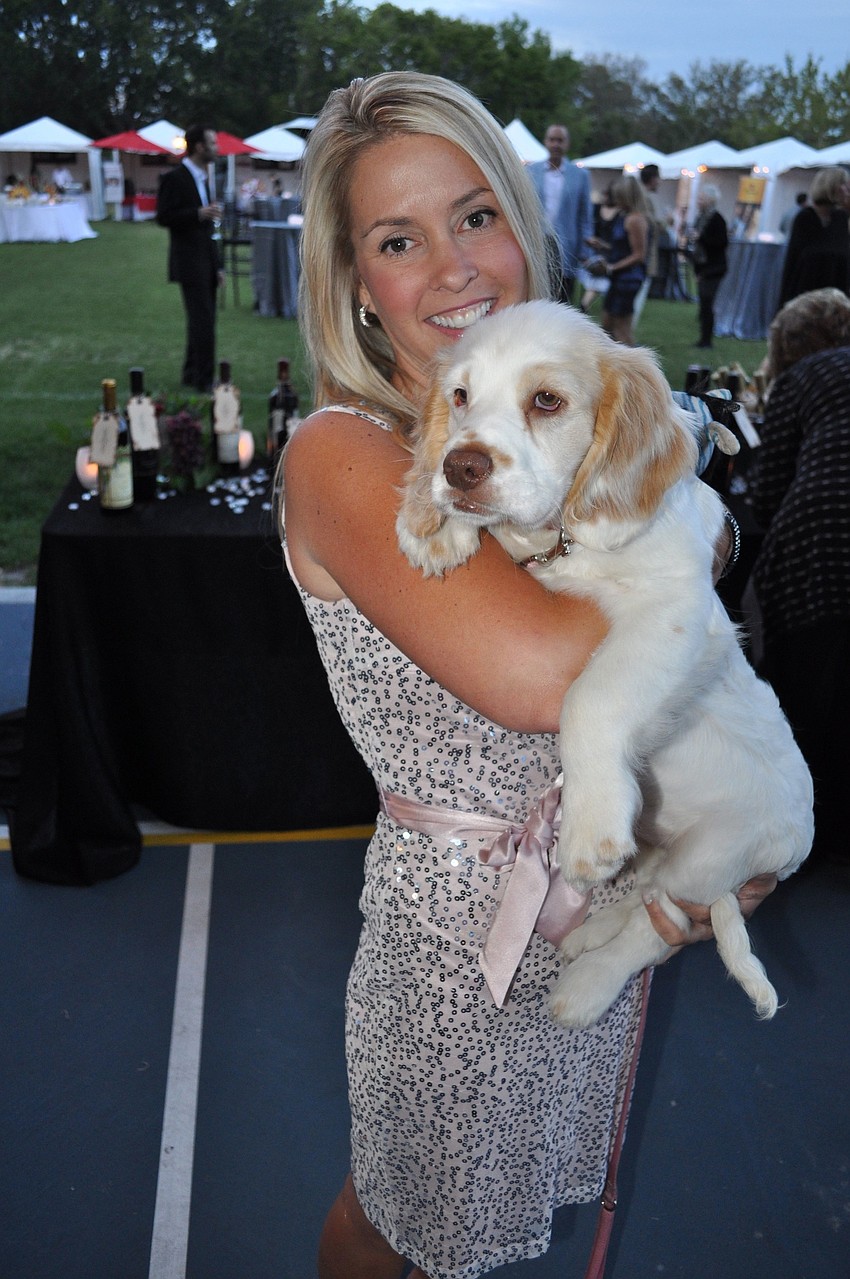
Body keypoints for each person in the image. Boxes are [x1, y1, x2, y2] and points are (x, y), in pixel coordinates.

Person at [282, 71, 776, 1279]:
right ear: (356, 282)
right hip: (465, 946)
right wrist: (683, 511)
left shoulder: (537, 428)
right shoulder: (346, 455)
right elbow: (552, 673)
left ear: (522, 221)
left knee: (485, 1215)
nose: (451, 266)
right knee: (402, 1225)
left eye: (474, 216)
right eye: (399, 239)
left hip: (596, 898)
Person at [746, 287, 850, 872]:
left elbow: (769, 484)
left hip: (826, 533)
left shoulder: (801, 379)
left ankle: (805, 833)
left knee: (810, 690)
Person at [156, 124, 223, 393]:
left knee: (203, 320)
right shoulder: (175, 177)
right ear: (199, 147)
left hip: (206, 261)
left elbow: (209, 230)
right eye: (213, 143)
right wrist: (197, 213)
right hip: (189, 262)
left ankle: (191, 372)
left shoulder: (204, 178)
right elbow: (163, 216)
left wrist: (218, 266)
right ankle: (205, 379)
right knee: (203, 322)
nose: (217, 148)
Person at [527, 123, 593, 304]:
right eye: (552, 139)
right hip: (537, 241)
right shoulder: (531, 171)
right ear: (545, 142)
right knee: (535, 294)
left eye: (560, 140)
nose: (556, 144)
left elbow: (585, 216)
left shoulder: (580, 175)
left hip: (566, 245)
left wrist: (585, 250)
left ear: (567, 144)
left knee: (562, 298)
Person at [777, 166, 850, 309]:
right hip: (807, 295)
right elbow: (794, 261)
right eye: (844, 186)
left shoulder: (841, 219)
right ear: (833, 187)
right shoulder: (806, 218)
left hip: (836, 297)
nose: (847, 190)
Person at [592, 173, 648, 346]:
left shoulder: (635, 220)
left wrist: (611, 267)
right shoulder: (626, 217)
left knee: (621, 330)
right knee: (607, 326)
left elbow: (639, 255)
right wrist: (602, 245)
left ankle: (634, 369)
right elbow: (624, 248)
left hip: (628, 279)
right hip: (619, 278)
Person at [690, 184, 728, 348]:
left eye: (701, 198)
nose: (698, 201)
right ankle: (704, 338)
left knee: (707, 302)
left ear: (710, 200)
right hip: (704, 268)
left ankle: (706, 340)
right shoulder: (702, 217)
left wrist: (701, 237)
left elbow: (721, 243)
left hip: (713, 269)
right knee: (704, 303)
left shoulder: (716, 219)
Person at [633, 162, 667, 323]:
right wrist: (666, 222)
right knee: (636, 299)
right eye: (658, 178)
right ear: (652, 179)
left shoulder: (640, 196)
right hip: (643, 256)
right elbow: (652, 225)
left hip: (640, 255)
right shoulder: (645, 198)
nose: (660, 182)